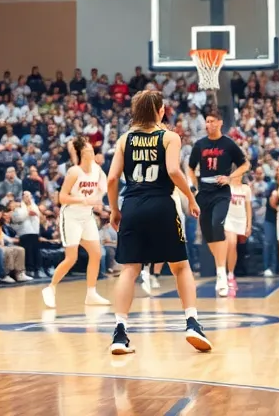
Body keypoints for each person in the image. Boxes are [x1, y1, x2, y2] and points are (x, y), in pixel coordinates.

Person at [107, 89, 210, 355]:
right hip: (161, 205)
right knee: (181, 267)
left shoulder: (124, 139)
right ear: (160, 111)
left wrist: (115, 210)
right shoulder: (169, 137)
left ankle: (119, 332)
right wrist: (191, 198)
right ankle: (192, 323)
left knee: (129, 269)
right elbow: (174, 171)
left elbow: (111, 179)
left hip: (132, 206)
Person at [42, 135, 110, 309]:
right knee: (71, 258)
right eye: (88, 149)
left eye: (91, 148)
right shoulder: (74, 172)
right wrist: (82, 200)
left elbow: (104, 183)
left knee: (96, 253)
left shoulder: (96, 169)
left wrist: (99, 196)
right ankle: (50, 288)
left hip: (87, 217)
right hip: (71, 216)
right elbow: (62, 197)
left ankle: (91, 293)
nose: (92, 150)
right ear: (82, 153)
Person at [187, 112, 248, 297]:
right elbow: (190, 167)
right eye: (207, 121)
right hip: (204, 192)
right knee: (209, 234)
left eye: (212, 121)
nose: (209, 124)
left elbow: (245, 165)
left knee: (217, 224)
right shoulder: (200, 144)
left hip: (222, 192)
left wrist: (230, 177)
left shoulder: (228, 144)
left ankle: (222, 273)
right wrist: (193, 187)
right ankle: (220, 267)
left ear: (220, 122)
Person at [221, 170, 252, 293]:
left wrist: (249, 225)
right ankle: (229, 276)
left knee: (234, 247)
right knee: (231, 243)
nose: (239, 176)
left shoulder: (246, 189)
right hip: (229, 219)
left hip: (241, 220)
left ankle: (230, 272)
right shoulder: (227, 187)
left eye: (241, 174)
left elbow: (248, 208)